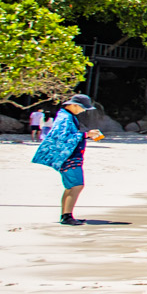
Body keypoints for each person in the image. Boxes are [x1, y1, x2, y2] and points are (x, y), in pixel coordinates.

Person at [31, 93, 104, 225]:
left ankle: (66, 214)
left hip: (70, 157)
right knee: (76, 185)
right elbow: (63, 137)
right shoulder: (65, 118)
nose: (83, 110)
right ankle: (67, 216)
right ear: (73, 105)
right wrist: (86, 134)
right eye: (82, 108)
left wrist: (85, 135)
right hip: (69, 158)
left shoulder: (67, 116)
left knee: (71, 187)